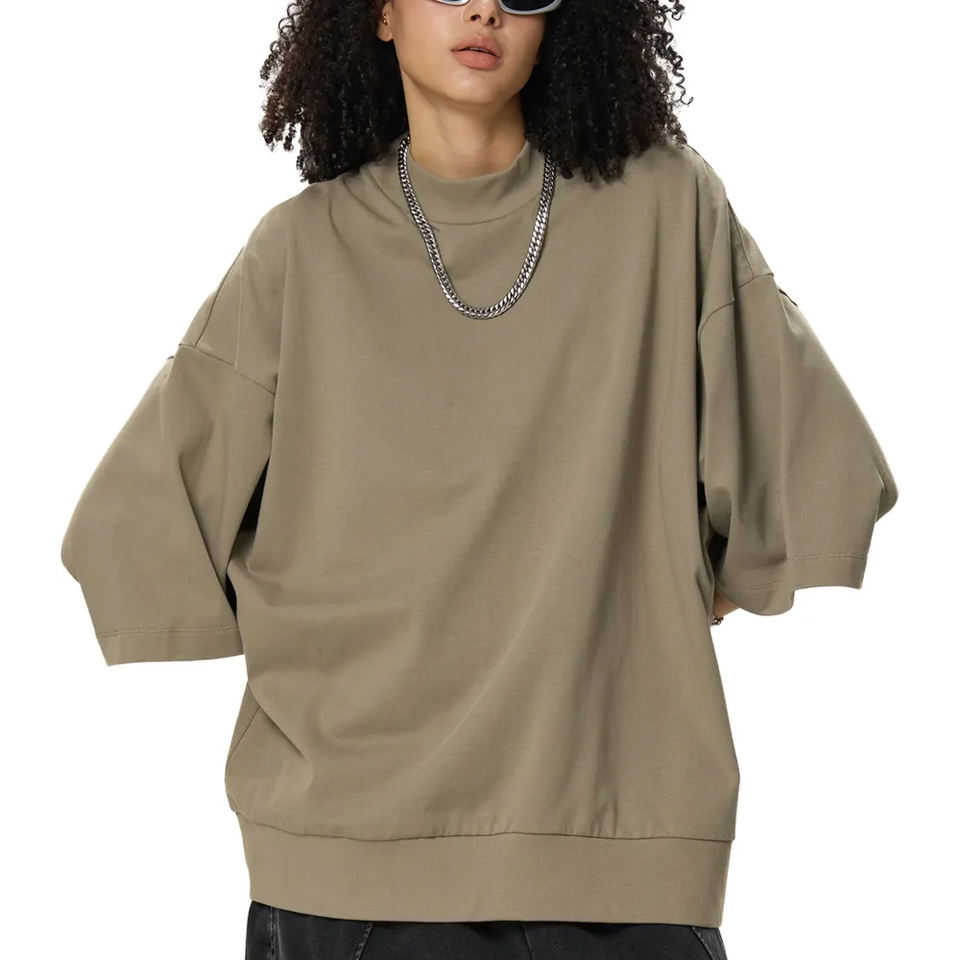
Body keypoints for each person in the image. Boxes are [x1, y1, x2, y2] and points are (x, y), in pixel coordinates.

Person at [59, 1, 899, 958]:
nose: (484, 5)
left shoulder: (670, 207)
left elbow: (822, 474)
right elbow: (132, 531)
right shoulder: (300, 249)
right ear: (378, 13)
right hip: (354, 872)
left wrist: (659, 573)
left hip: (619, 867)